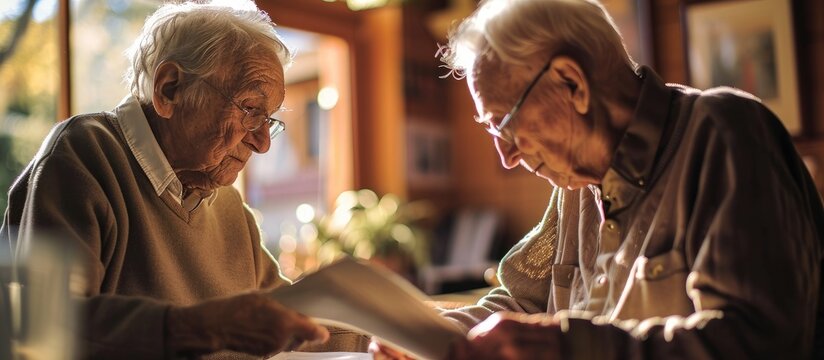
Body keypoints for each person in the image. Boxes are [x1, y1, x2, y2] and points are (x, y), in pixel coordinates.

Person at [372, 0, 824, 358]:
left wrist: (570, 348)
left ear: (572, 83)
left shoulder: (726, 135)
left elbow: (761, 341)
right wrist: (436, 335)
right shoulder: (575, 187)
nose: (505, 155)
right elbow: (524, 302)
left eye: (502, 124)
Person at [0, 1, 333, 359]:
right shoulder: (83, 156)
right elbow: (39, 327)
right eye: (251, 110)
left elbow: (294, 325)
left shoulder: (229, 206)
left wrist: (384, 339)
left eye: (269, 120)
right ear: (169, 89)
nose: (263, 143)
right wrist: (202, 327)